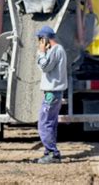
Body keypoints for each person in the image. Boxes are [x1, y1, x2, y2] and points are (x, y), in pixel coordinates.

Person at [35, 26, 68, 164]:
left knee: (44, 122)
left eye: (40, 40)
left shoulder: (56, 50)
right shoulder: (57, 50)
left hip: (52, 93)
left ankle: (53, 153)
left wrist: (41, 53)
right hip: (54, 92)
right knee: (51, 123)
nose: (39, 44)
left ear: (45, 39)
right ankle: (49, 151)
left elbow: (45, 67)